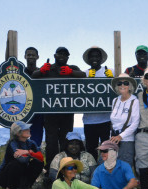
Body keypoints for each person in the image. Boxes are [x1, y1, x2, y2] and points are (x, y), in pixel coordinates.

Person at [31, 47, 86, 175]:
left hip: (67, 113)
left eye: (65, 54)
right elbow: (34, 76)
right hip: (50, 114)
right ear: (54, 55)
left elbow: (83, 75)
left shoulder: (72, 67)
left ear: (68, 57)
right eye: (59, 53)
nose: (62, 56)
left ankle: (66, 168)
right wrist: (41, 70)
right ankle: (50, 169)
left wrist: (70, 72)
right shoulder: (48, 68)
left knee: (65, 141)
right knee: (51, 143)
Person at [0, 121, 44, 189]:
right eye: (25, 129)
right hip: (5, 178)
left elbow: (41, 158)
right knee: (16, 164)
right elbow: (22, 160)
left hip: (20, 176)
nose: (29, 129)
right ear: (18, 133)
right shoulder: (12, 144)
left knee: (39, 163)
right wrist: (32, 154)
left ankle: (27, 187)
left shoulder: (31, 143)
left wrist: (27, 152)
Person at [82, 46, 114, 160]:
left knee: (107, 151)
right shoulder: (84, 74)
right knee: (90, 151)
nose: (94, 58)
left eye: (97, 56)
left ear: (101, 58)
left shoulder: (110, 71)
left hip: (106, 120)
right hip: (88, 121)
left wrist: (112, 78)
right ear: (89, 59)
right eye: (92, 56)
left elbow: (120, 89)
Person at [109, 73, 140, 166]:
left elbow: (135, 123)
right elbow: (113, 123)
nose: (122, 85)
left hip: (127, 140)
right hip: (113, 139)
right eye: (119, 83)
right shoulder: (115, 100)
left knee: (124, 166)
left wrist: (120, 136)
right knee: (109, 165)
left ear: (130, 86)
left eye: (125, 83)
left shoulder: (135, 101)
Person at [24, 47, 44, 147]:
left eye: (33, 55)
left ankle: (35, 159)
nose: (31, 57)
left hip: (38, 112)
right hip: (24, 110)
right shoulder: (21, 73)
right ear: (25, 57)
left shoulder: (42, 72)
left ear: (37, 57)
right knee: (21, 140)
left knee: (36, 142)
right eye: (28, 55)